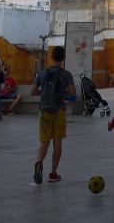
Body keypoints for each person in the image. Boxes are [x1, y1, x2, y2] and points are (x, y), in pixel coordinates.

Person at [31, 45, 76, 185]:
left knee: (43, 142)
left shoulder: (43, 73)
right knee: (57, 144)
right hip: (59, 111)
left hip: (44, 110)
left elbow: (32, 91)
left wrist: (43, 92)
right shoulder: (66, 74)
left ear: (51, 57)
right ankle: (53, 173)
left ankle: (39, 163)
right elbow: (73, 93)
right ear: (63, 58)